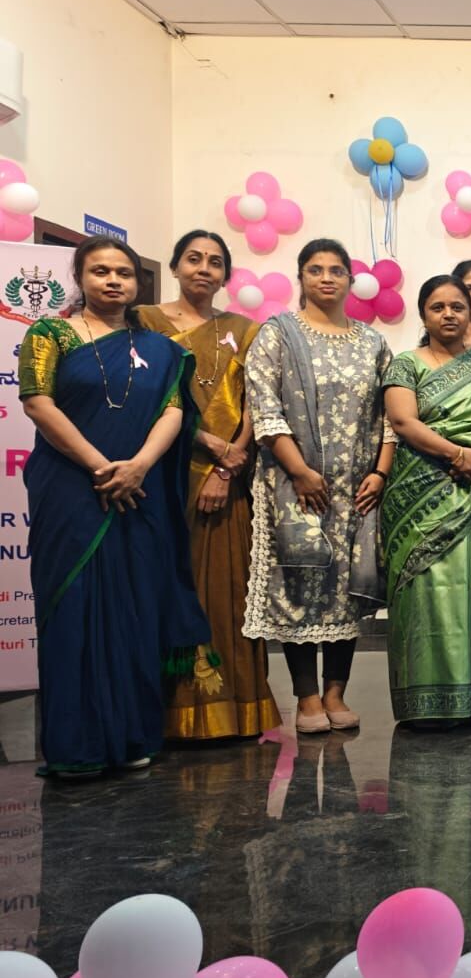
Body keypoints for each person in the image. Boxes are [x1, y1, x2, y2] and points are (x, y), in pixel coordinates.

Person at [22, 235, 212, 777]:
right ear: (80, 278)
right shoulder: (50, 334)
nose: (112, 281)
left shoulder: (160, 348)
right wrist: (100, 466)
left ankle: (132, 737)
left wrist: (139, 466)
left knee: (135, 606)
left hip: (140, 492)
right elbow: (37, 403)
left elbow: (174, 411)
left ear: (137, 283)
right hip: (70, 490)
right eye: (100, 271)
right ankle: (75, 746)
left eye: (123, 273)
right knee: (73, 605)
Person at [244, 238, 394, 734]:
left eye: (336, 270)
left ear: (350, 279)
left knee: (348, 587)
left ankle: (336, 694)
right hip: (296, 484)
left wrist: (380, 473)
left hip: (357, 489)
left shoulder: (372, 343)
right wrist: (300, 472)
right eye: (315, 269)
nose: (326, 278)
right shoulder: (278, 334)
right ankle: (307, 698)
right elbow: (264, 407)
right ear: (301, 277)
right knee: (300, 583)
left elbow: (390, 416)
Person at [136, 230, 279, 739]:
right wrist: (210, 446)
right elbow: (144, 400)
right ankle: (163, 716)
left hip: (227, 483)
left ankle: (234, 711)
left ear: (225, 275)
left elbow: (259, 402)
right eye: (193, 258)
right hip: (161, 475)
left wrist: (227, 465)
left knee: (226, 594)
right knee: (161, 588)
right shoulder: (143, 323)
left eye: (215, 262)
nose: (203, 268)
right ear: (175, 266)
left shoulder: (245, 330)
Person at [382, 274, 471, 725]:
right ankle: (429, 703)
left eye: (457, 307)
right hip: (424, 494)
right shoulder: (406, 364)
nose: (449, 315)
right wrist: (457, 454)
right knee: (429, 594)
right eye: (438, 307)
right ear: (424, 315)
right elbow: (403, 422)